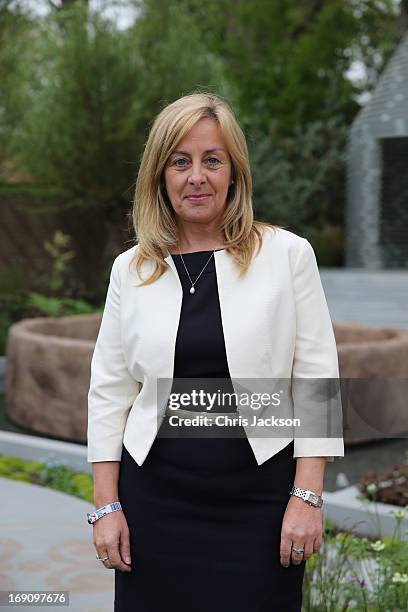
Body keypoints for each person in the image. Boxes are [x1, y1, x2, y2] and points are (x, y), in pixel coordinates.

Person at [87, 91, 344, 612]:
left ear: (234, 172)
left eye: (212, 160)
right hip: (154, 504)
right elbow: (110, 389)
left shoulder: (287, 255)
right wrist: (106, 505)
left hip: (261, 500)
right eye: (180, 162)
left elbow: (316, 378)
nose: (196, 176)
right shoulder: (131, 268)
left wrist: (307, 495)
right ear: (160, 174)